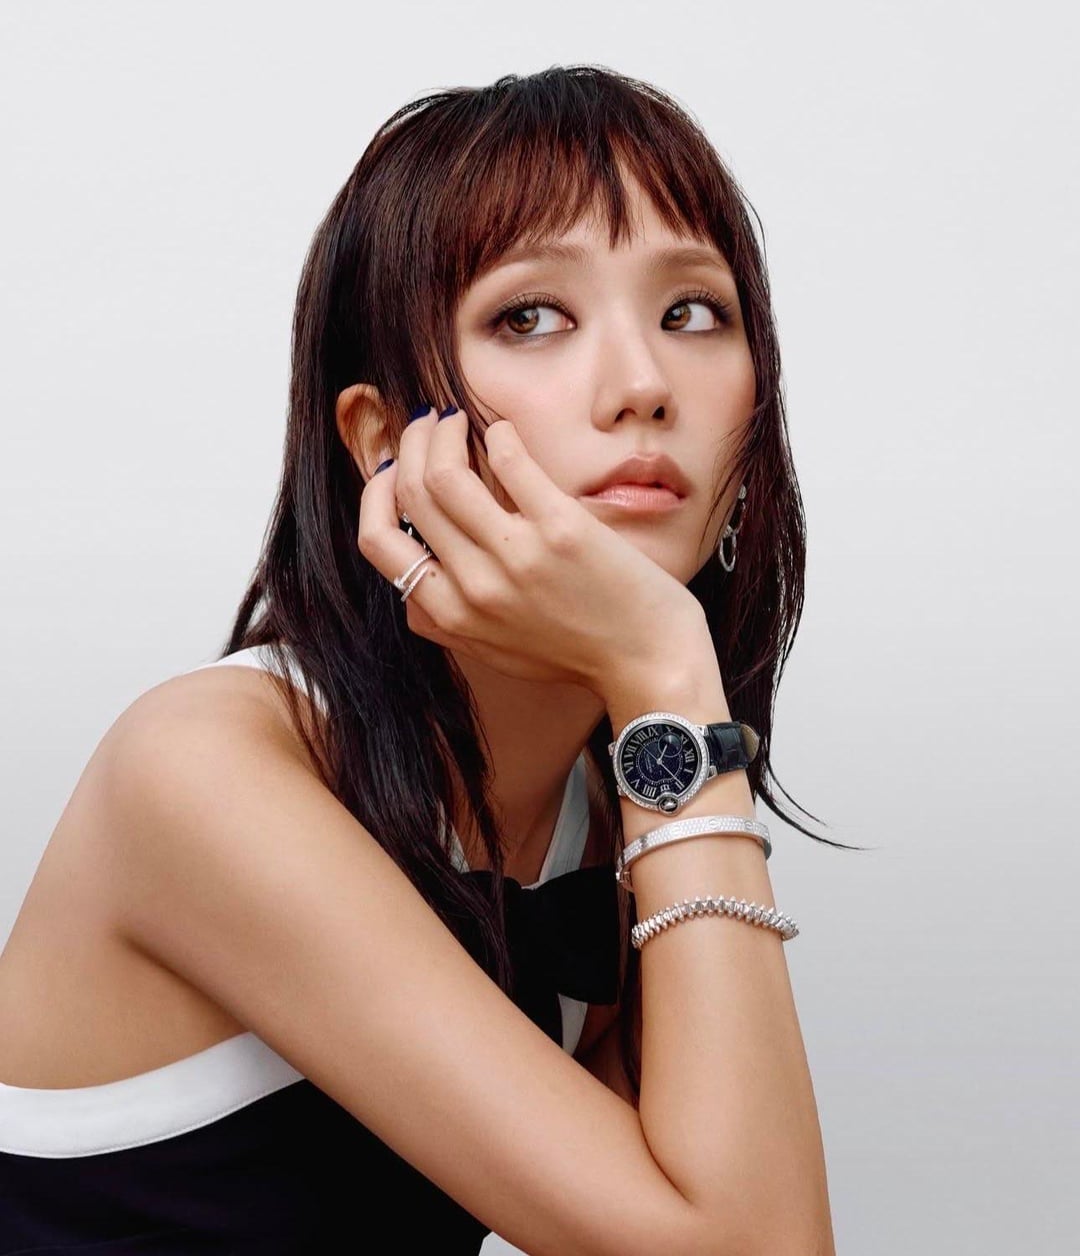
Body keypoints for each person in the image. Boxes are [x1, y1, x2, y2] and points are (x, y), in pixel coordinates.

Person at [0, 65, 839, 1254]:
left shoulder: (611, 815)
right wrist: (665, 670)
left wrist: (660, 694)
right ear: (384, 438)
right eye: (530, 316)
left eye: (692, 312)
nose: (643, 386)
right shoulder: (199, 766)